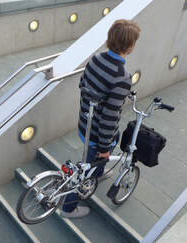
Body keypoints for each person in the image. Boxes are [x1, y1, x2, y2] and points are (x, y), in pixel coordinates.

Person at [60, 19, 141, 218]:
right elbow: (109, 117)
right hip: (98, 134)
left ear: (110, 39)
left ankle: (98, 171)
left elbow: (82, 84)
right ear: (130, 47)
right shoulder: (122, 77)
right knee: (91, 165)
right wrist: (105, 148)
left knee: (112, 140)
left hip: (84, 124)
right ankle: (68, 208)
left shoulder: (95, 59)